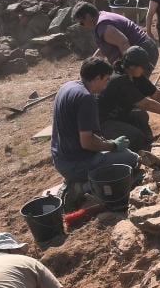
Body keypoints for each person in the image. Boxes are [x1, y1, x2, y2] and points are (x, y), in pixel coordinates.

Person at [50, 57, 145, 209]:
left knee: (121, 154)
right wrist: (113, 146)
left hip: (61, 158)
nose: (107, 84)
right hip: (76, 163)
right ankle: (80, 188)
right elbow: (86, 142)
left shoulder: (68, 86)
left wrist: (108, 143)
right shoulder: (86, 99)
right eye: (106, 80)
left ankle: (78, 180)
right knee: (131, 160)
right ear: (97, 78)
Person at [98, 46, 160, 152]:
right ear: (132, 66)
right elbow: (146, 104)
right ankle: (135, 152)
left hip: (119, 115)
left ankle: (147, 142)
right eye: (143, 67)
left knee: (140, 114)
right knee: (136, 138)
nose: (144, 70)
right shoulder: (119, 80)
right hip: (102, 124)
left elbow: (158, 95)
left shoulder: (134, 75)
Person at [72, 2, 157, 65]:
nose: (83, 26)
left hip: (143, 51)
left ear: (88, 16)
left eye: (81, 23)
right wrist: (90, 63)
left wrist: (128, 68)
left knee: (131, 85)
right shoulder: (102, 17)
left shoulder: (103, 26)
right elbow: (105, 46)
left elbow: (123, 43)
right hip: (144, 48)